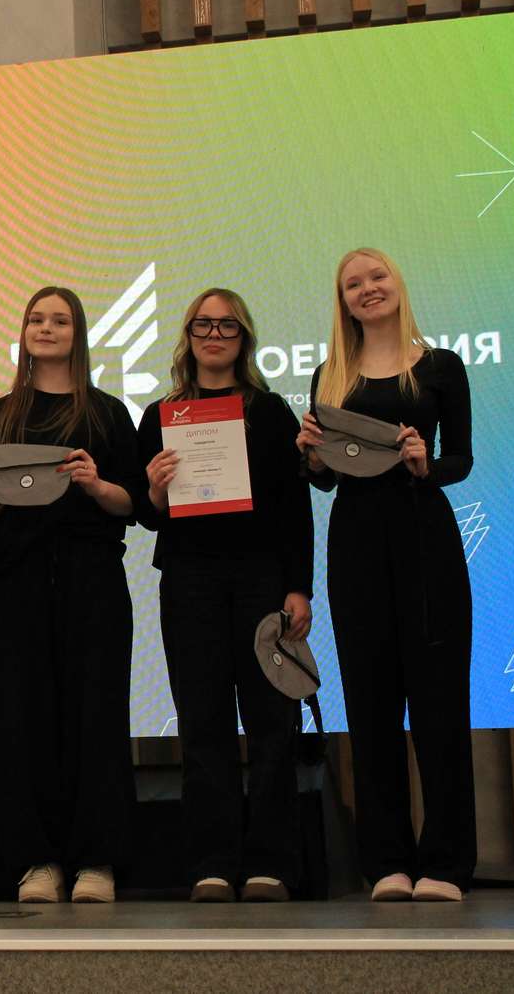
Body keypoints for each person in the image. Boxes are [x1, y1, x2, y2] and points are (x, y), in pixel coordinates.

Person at [297, 248, 474, 903]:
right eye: (353, 284)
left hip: (425, 537)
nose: (367, 289)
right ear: (342, 301)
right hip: (355, 543)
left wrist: (427, 462)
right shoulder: (329, 375)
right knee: (370, 706)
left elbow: (461, 459)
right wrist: (311, 458)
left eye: (376, 277)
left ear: (397, 284)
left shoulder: (441, 366)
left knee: (438, 703)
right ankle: (387, 863)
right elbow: (323, 478)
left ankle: (446, 863)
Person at [138, 288, 313, 903]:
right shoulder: (160, 415)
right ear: (188, 336)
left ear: (244, 338)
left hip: (261, 578)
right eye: (203, 325)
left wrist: (299, 587)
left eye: (227, 326)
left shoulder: (269, 412)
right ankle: (211, 863)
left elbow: (294, 507)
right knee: (203, 722)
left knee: (271, 721)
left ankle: (271, 864)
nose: (214, 335)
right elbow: (147, 515)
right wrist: (155, 489)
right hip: (189, 581)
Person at [0, 286, 142, 905]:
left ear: (78, 334)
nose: (46, 329)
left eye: (60, 320)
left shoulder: (107, 413)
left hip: (92, 581)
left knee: (97, 718)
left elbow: (134, 504)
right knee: (21, 721)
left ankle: (97, 860)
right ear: (23, 332)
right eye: (36, 319)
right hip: (14, 584)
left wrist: (96, 485)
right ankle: (36, 860)